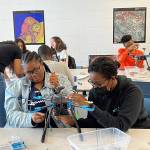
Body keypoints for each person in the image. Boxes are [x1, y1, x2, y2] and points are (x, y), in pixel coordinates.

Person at [60, 57, 150, 131]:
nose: (94, 87)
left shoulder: (132, 92)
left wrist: (90, 106)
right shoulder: (94, 92)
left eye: (98, 84)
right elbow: (95, 121)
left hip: (138, 132)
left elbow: (121, 126)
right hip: (111, 132)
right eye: (92, 82)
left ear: (113, 78)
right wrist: (74, 122)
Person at [5, 51, 73, 128]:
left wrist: (58, 89)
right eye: (29, 72)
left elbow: (73, 102)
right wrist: (30, 118)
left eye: (36, 69)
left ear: (42, 64)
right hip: (30, 130)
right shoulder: (16, 87)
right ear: (24, 72)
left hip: (58, 128)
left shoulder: (60, 79)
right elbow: (11, 115)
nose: (33, 74)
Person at [0, 41, 24, 127]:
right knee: (2, 109)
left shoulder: (3, 46)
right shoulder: (17, 50)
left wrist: (8, 82)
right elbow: (18, 73)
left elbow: (3, 72)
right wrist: (27, 74)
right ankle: (2, 133)